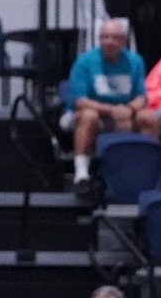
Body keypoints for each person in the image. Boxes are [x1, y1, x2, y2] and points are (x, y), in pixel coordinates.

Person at [63, 19, 148, 187]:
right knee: (89, 116)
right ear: (99, 39)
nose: (110, 41)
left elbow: (141, 97)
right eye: (105, 37)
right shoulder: (84, 61)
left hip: (121, 112)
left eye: (115, 37)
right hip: (86, 113)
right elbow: (80, 101)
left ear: (123, 41)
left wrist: (129, 110)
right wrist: (112, 110)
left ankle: (144, 169)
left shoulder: (135, 61)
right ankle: (81, 172)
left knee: (148, 117)